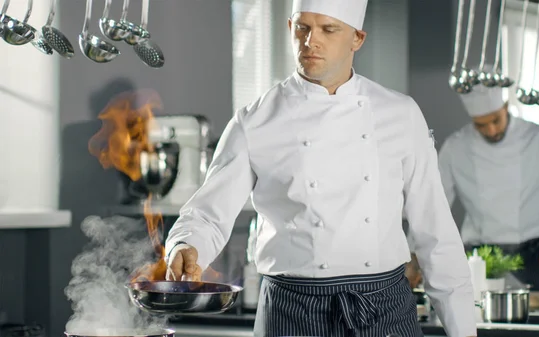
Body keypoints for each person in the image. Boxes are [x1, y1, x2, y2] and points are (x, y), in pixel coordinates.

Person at [163, 0, 477, 336]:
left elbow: (436, 230)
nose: (311, 40)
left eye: (328, 29)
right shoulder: (255, 120)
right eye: (302, 27)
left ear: (357, 38)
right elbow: (209, 214)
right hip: (291, 310)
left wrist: (463, 330)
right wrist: (186, 246)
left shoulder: (401, 114)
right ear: (290, 29)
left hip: (384, 308)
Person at [435, 85, 539, 291]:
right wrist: (416, 252)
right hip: (483, 257)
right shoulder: (455, 148)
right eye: (481, 125)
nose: (491, 130)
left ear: (506, 107)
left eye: (495, 120)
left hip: (537, 253)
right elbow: (435, 204)